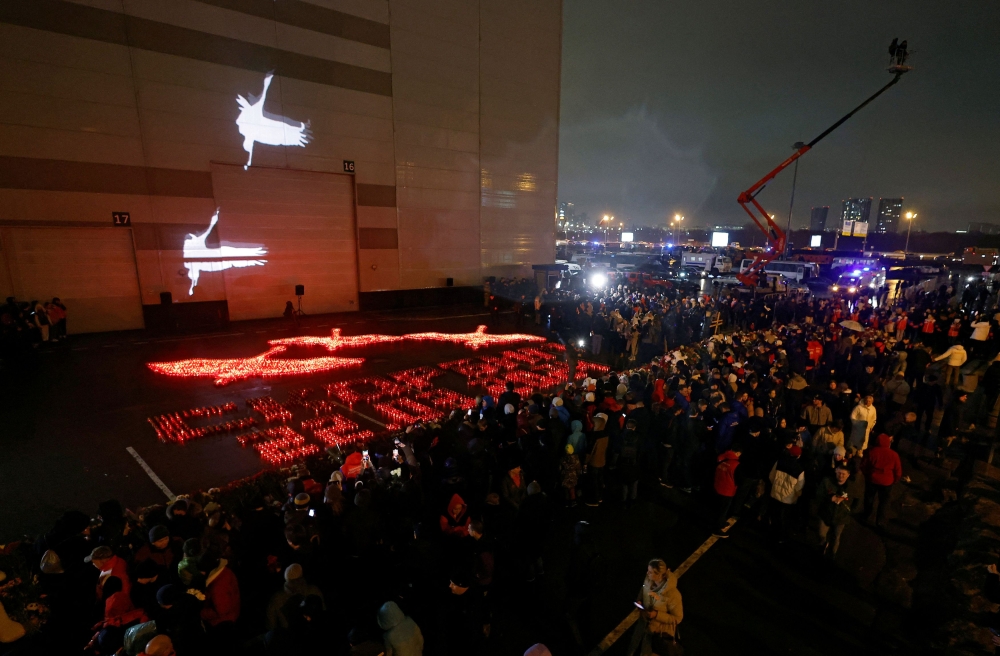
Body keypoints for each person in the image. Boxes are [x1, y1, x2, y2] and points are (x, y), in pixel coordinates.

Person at [626, 559, 683, 656]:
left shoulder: (673, 594)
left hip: (658, 634)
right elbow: (644, 588)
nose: (647, 573)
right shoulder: (648, 581)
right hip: (642, 628)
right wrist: (640, 600)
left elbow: (677, 618)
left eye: (650, 572)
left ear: (659, 575)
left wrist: (657, 615)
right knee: (633, 649)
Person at [815, 465, 859, 556]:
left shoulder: (851, 487)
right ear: (835, 471)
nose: (841, 476)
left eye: (843, 474)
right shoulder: (827, 482)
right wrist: (829, 498)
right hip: (825, 514)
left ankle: (832, 555)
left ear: (848, 475)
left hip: (841, 518)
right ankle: (823, 546)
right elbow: (818, 495)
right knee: (821, 534)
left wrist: (849, 511)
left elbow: (857, 500)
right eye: (839, 473)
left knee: (836, 537)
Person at [861, 433, 903, 528]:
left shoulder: (871, 452)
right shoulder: (894, 455)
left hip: (872, 480)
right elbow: (898, 471)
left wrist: (867, 475)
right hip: (887, 482)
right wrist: (895, 480)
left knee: (869, 498)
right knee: (884, 502)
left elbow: (864, 465)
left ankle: (866, 515)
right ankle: (880, 521)